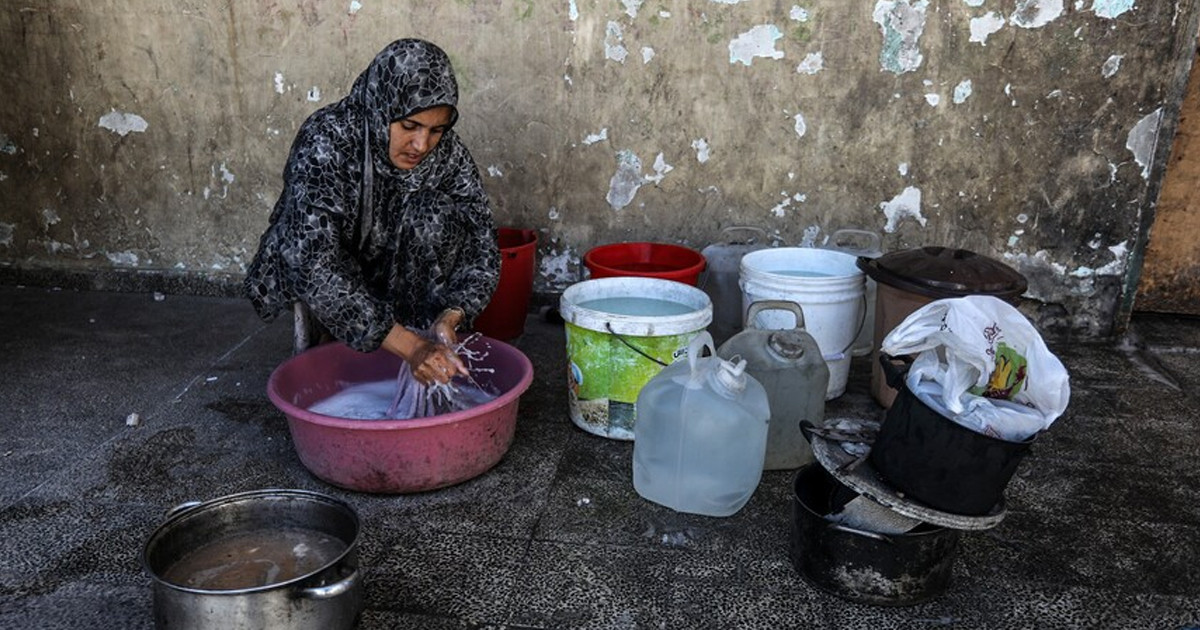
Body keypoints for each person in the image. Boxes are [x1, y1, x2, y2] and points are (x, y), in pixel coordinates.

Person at [244, 39, 499, 386]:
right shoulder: (328, 140)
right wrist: (411, 348)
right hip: (332, 267)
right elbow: (312, 262)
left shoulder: (448, 155)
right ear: (382, 108)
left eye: (436, 130)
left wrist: (452, 315)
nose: (422, 145)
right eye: (409, 126)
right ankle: (353, 347)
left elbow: (482, 241)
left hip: (399, 270)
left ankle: (416, 347)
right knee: (315, 261)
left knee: (434, 216)